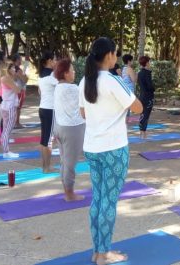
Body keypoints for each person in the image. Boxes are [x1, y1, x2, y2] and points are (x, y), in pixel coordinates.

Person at [79, 37, 142, 265]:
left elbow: (84, 113)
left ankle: (97, 250)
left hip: (92, 147)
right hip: (113, 148)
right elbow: (138, 107)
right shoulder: (113, 81)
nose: (116, 56)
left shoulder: (85, 80)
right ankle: (104, 254)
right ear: (108, 56)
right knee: (109, 201)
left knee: (98, 197)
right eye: (115, 53)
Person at [53, 59, 86, 201]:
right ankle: (70, 194)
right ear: (66, 74)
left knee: (64, 162)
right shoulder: (73, 88)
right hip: (72, 129)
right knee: (70, 163)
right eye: (72, 70)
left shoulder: (58, 87)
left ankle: (67, 190)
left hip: (60, 127)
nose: (74, 72)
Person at [38, 51, 58, 173]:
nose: (56, 62)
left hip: (43, 108)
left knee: (44, 138)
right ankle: (47, 168)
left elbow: (40, 92)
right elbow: (62, 87)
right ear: (50, 61)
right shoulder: (51, 77)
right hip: (50, 109)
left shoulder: (41, 76)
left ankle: (45, 166)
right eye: (54, 60)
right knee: (48, 139)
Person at [0, 62, 21, 159]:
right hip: (10, 106)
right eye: (12, 68)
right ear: (8, 69)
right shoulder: (6, 78)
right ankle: (6, 152)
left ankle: (6, 151)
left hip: (6, 105)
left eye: (14, 68)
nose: (14, 70)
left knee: (6, 128)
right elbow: (18, 90)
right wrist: (18, 79)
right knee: (7, 129)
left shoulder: (8, 78)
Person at [9, 54, 29, 128]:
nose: (21, 61)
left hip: (14, 90)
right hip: (20, 90)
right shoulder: (18, 70)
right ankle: (16, 123)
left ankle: (13, 122)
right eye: (20, 59)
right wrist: (26, 76)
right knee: (18, 107)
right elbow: (25, 80)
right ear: (17, 60)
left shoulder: (11, 68)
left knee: (14, 106)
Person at [137, 55, 154, 139]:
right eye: (149, 62)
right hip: (148, 97)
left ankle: (141, 132)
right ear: (147, 63)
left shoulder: (139, 73)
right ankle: (144, 133)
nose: (149, 63)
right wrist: (154, 88)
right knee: (146, 115)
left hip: (142, 96)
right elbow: (150, 86)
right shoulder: (147, 73)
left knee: (142, 114)